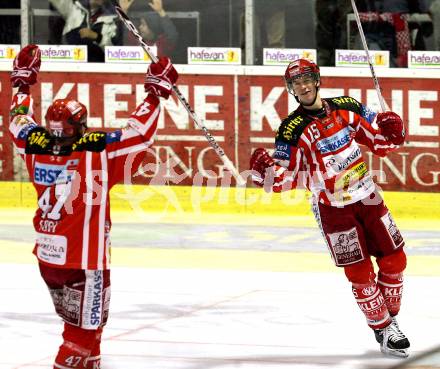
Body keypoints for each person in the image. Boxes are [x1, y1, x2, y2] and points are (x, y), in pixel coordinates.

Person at [9, 44, 178, 369]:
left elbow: (18, 120)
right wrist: (156, 92)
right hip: (84, 263)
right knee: (81, 335)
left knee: (90, 327)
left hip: (48, 257)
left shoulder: (33, 144)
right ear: (81, 126)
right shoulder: (95, 153)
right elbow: (139, 132)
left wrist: (22, 83)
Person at [249, 59, 410, 358]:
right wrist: (266, 174)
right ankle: (385, 329)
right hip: (333, 208)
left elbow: (380, 141)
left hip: (369, 197)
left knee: (395, 260)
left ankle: (390, 317)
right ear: (292, 90)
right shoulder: (291, 129)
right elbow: (286, 179)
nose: (304, 86)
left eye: (308, 79)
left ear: (317, 80)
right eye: (297, 83)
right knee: (360, 271)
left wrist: (394, 132)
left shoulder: (346, 106)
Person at [48, 0, 123, 62]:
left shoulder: (111, 19)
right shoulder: (74, 9)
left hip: (97, 68)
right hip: (71, 63)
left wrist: (97, 37)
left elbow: (113, 53)